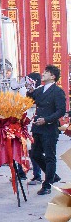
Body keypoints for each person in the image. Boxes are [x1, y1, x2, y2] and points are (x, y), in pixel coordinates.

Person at [29, 65, 67, 196]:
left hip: (49, 128)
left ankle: (47, 185)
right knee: (35, 154)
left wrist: (46, 119)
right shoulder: (40, 90)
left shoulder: (58, 91)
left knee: (50, 156)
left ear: (53, 76)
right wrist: (29, 90)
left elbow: (60, 111)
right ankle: (53, 175)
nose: (43, 74)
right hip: (37, 128)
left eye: (46, 72)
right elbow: (30, 99)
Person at [22, 72, 46, 184]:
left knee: (34, 151)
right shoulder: (28, 92)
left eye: (28, 82)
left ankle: (38, 176)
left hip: (36, 126)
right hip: (26, 125)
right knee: (23, 150)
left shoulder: (41, 91)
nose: (27, 85)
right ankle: (21, 173)